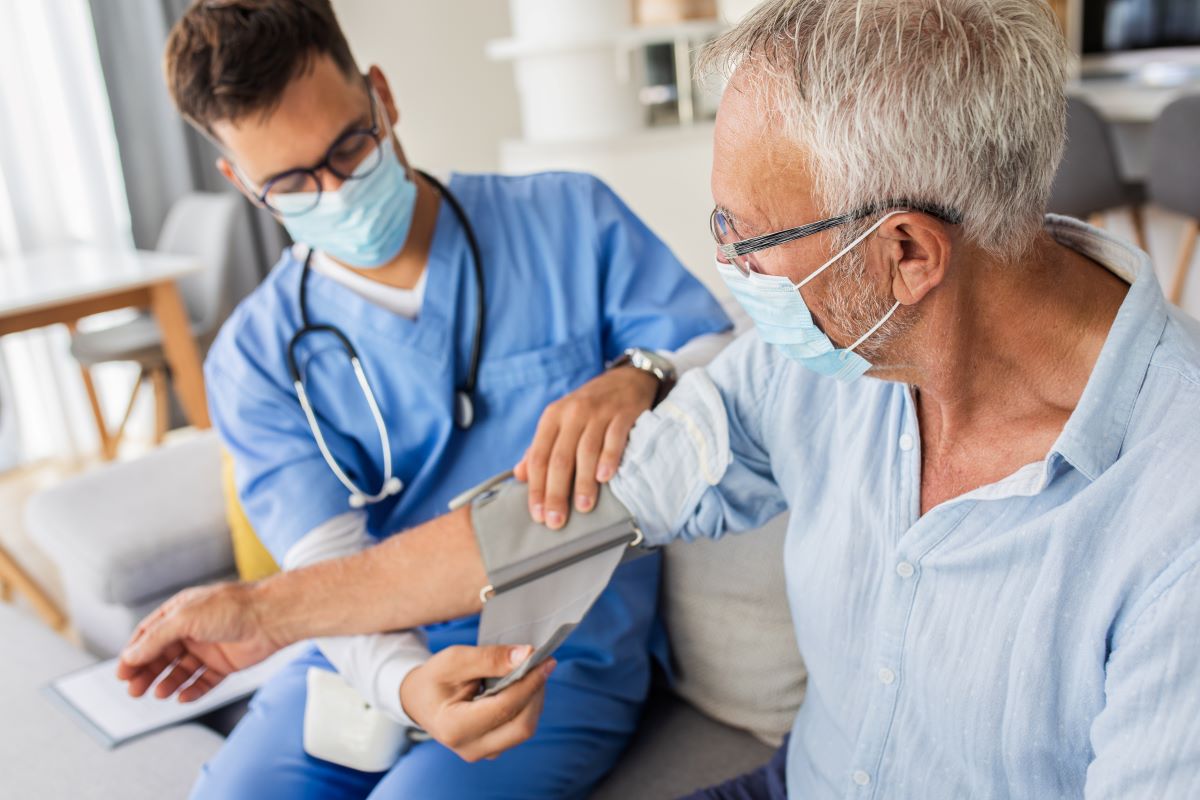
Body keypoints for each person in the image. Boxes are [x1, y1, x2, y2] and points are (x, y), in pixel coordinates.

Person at [120, 0, 1200, 797]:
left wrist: (637, 369)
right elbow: (555, 520)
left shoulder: (1172, 516)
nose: (723, 271)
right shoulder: (824, 365)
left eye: (744, 240)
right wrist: (259, 613)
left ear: (905, 252)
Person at [149, 1, 731, 798]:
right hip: (360, 642)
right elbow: (324, 565)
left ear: (381, 98)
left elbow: (726, 364)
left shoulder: (566, 218)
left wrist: (641, 376)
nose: (338, 192)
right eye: (292, 182)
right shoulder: (252, 358)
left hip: (554, 649)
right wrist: (401, 683)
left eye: (350, 148)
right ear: (241, 182)